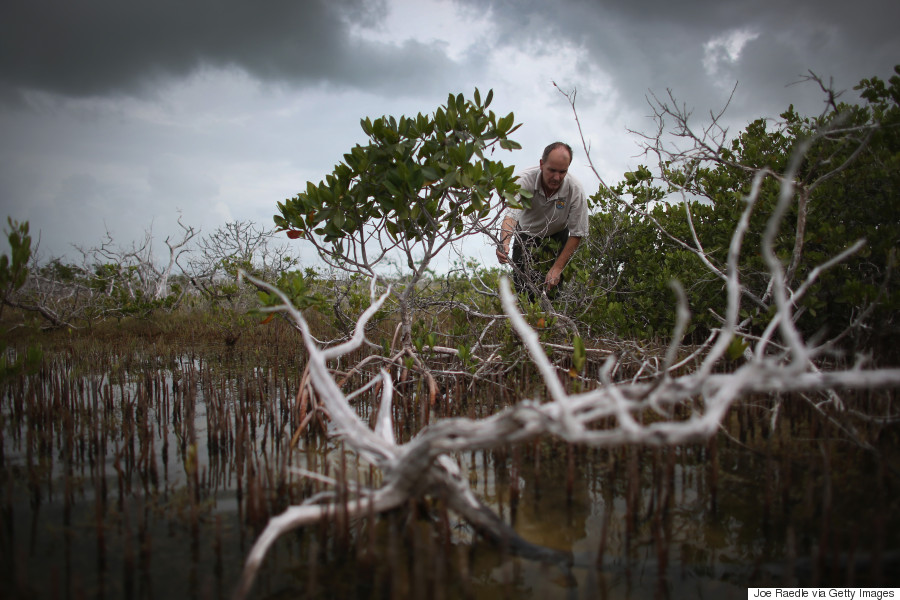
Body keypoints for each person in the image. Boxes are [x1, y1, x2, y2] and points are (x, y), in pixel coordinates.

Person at [496, 142, 589, 300]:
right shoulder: (523, 181)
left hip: (557, 237)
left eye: (562, 171)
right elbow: (511, 216)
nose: (556, 177)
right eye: (552, 170)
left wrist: (558, 267)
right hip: (526, 236)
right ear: (541, 164)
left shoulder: (575, 189)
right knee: (524, 292)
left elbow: (577, 232)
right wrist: (504, 242)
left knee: (552, 293)